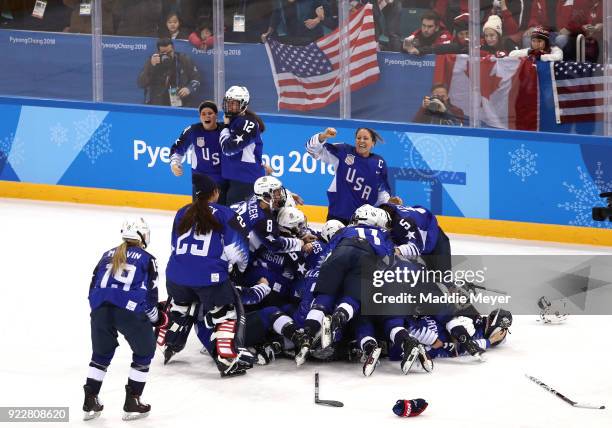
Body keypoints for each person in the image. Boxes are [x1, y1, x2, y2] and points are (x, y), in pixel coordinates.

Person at [163, 174, 254, 376]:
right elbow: (237, 251)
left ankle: (170, 340)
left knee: (183, 305)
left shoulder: (182, 212)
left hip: (175, 276)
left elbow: (173, 245)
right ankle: (226, 359)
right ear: (214, 193)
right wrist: (239, 268)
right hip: (209, 279)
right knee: (225, 313)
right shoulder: (225, 213)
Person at [82, 218, 165, 421]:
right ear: (142, 236)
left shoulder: (106, 254)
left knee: (100, 355)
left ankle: (90, 400)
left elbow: (93, 286)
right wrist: (157, 319)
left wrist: (99, 308)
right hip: (129, 311)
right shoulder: (147, 258)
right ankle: (132, 402)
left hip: (100, 308)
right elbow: (149, 297)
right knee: (145, 352)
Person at [305, 127, 393, 223]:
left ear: (373, 143)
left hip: (364, 221)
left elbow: (382, 192)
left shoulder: (379, 163)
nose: (361, 141)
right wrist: (323, 136)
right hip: (337, 217)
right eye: (358, 138)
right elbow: (313, 150)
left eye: (365, 138)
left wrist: (389, 204)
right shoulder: (343, 151)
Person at [169, 100, 228, 203]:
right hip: (201, 180)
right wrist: (174, 164)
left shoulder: (225, 129)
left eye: (210, 113)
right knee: (199, 215)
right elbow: (177, 149)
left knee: (220, 215)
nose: (207, 116)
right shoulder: (193, 131)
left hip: (222, 181)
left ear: (216, 115)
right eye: (203, 114)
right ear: (200, 117)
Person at [219, 86, 267, 205]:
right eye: (228, 102)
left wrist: (225, 127)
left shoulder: (247, 123)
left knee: (236, 220)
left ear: (244, 105)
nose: (229, 106)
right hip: (232, 177)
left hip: (245, 179)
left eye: (234, 103)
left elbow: (228, 148)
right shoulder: (233, 120)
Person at [137, 38, 201, 107]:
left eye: (169, 52)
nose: (167, 55)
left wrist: (189, 88)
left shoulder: (183, 59)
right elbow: (141, 84)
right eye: (163, 53)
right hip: (157, 102)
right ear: (158, 52)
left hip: (179, 101)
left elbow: (196, 78)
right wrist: (151, 66)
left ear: (173, 49)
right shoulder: (153, 61)